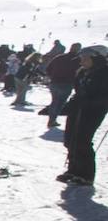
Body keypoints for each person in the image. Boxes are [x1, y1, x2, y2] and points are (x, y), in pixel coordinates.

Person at [58, 45, 108, 185]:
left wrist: (89, 102)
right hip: (78, 109)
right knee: (70, 139)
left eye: (85, 59)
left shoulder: (104, 73)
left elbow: (104, 97)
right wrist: (69, 105)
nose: (81, 61)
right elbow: (78, 92)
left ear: (96, 58)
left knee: (82, 141)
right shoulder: (82, 72)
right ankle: (73, 170)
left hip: (93, 111)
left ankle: (85, 175)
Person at [43, 43, 81, 129]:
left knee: (54, 101)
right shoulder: (78, 60)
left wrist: (52, 76)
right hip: (67, 83)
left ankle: (51, 119)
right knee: (60, 103)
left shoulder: (59, 57)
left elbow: (48, 69)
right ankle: (52, 120)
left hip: (54, 82)